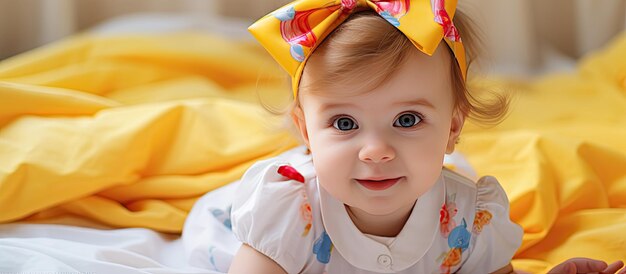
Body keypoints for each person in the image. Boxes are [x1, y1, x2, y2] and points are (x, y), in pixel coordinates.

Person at [182, 0, 625, 273]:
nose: (376, 151)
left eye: (408, 120)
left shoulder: (470, 219)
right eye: (344, 124)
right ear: (305, 132)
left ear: (453, 127)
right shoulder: (286, 215)